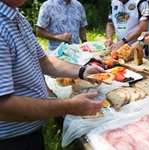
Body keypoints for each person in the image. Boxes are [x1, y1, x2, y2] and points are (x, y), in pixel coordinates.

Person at [0, 0, 105, 149]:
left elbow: (43, 61)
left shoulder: (16, 17)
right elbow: (3, 106)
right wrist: (68, 106)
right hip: (11, 142)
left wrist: (82, 71)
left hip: (28, 134)